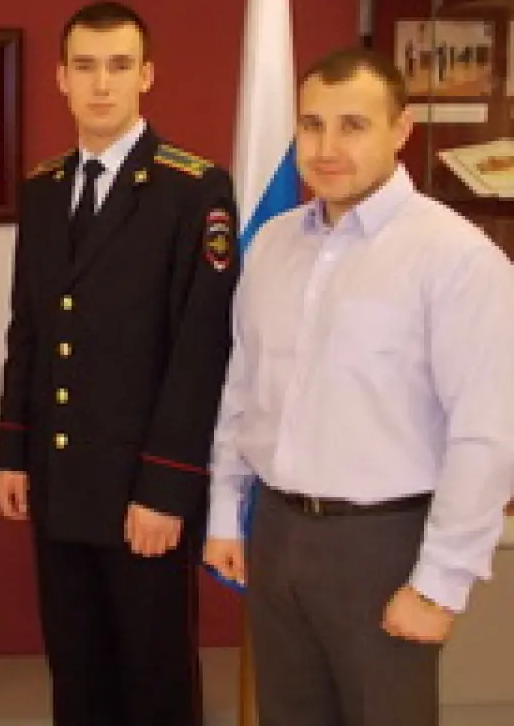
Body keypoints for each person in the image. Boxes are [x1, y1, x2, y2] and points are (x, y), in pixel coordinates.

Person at [204, 47, 514, 726]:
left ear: (401, 130)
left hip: (385, 545)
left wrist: (439, 585)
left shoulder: (457, 259)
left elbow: (486, 436)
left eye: (353, 125)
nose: (327, 148)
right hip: (278, 532)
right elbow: (243, 388)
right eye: (312, 125)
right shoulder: (274, 245)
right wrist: (226, 510)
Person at [0, 0, 239, 726]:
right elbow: (31, 327)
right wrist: (14, 448)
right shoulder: (43, 189)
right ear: (61, 78)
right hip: (61, 478)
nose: (102, 84)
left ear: (147, 76)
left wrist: (166, 488)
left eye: (120, 66)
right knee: (77, 671)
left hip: (141, 490)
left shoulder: (193, 189)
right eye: (86, 67)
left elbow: (201, 350)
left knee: (153, 681)